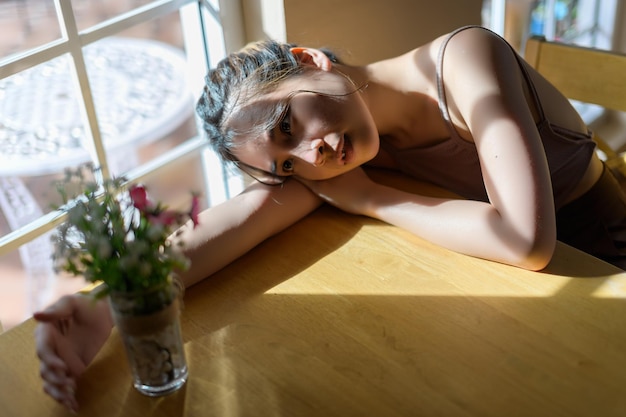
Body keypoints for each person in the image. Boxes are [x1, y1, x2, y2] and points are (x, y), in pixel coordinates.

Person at [34, 25, 626, 411]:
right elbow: (238, 220)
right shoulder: (337, 152)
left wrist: (370, 198)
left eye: (286, 127)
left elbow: (526, 240)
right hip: (533, 316)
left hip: (606, 258)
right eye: (286, 166)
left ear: (308, 60)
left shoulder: (465, 59)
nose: (307, 158)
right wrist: (105, 304)